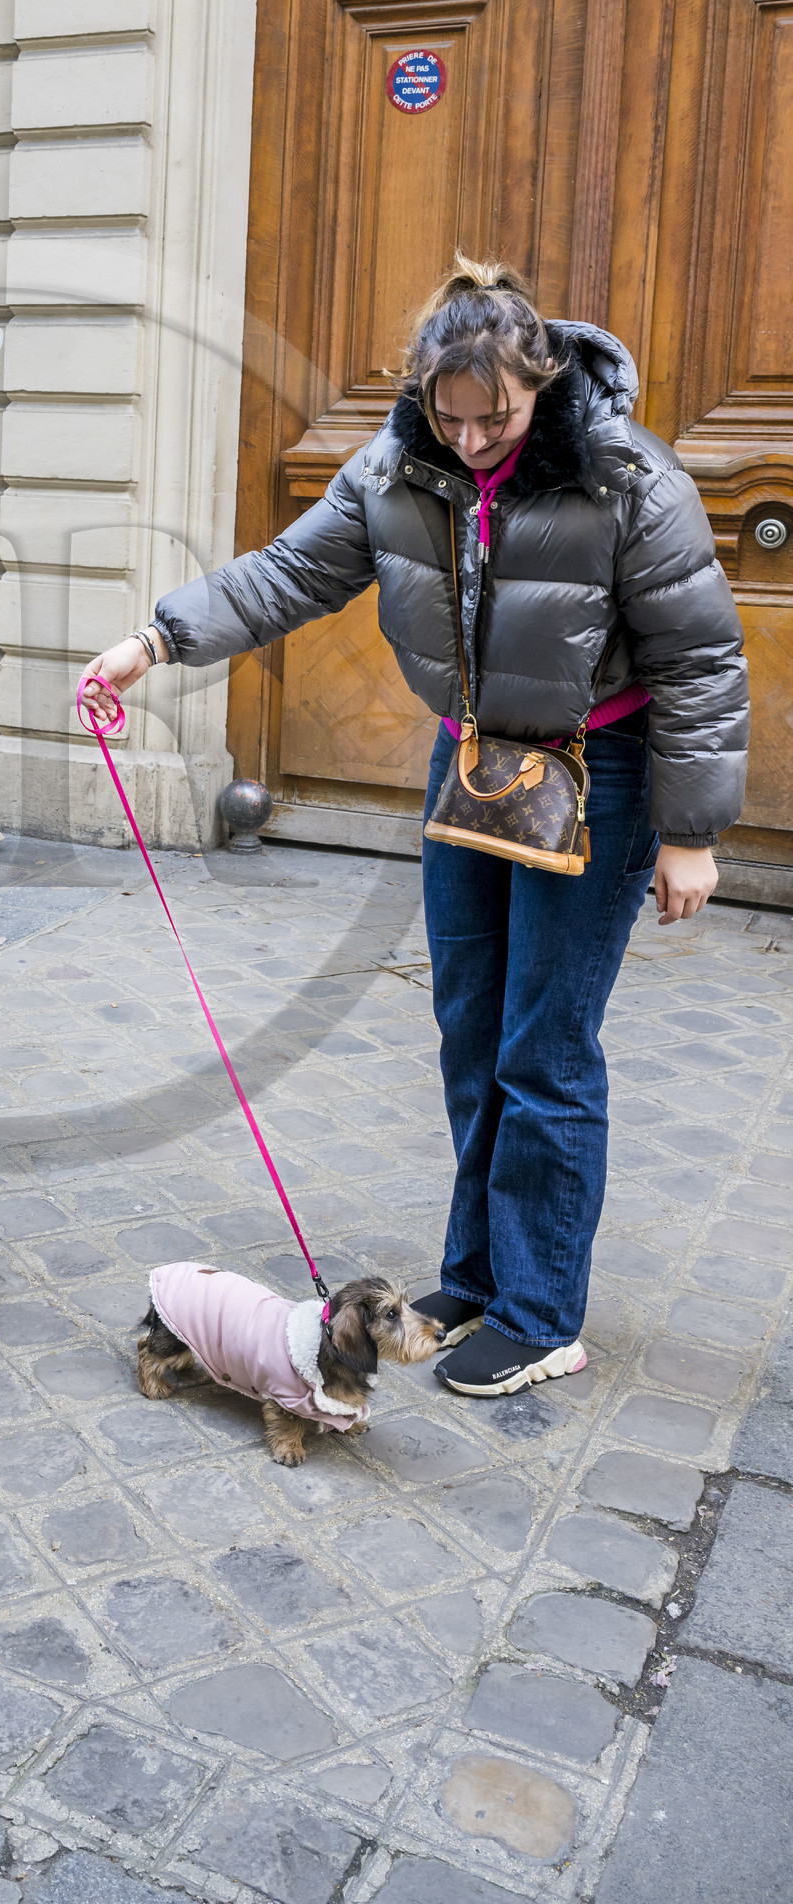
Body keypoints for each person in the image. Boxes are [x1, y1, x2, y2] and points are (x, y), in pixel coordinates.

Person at [83, 259, 748, 1401]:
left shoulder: (628, 475)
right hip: (475, 762)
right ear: (422, 394)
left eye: (498, 416)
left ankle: (541, 1314)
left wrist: (691, 833)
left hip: (605, 770)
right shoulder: (392, 468)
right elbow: (286, 573)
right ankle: (478, 1275)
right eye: (453, 415)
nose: (477, 439)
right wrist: (153, 642)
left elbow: (701, 656)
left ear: (539, 384)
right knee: (467, 1027)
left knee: (543, 1044)